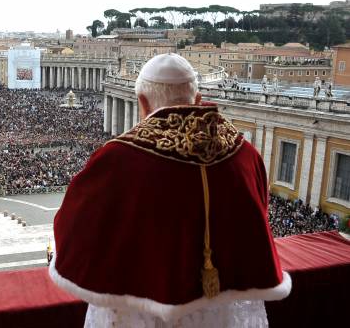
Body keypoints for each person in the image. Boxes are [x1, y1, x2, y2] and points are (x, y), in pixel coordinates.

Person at [50, 53, 291, 327]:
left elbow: (73, 230)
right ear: (198, 100)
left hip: (139, 312)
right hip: (220, 312)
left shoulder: (116, 159)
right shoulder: (245, 154)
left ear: (141, 103)